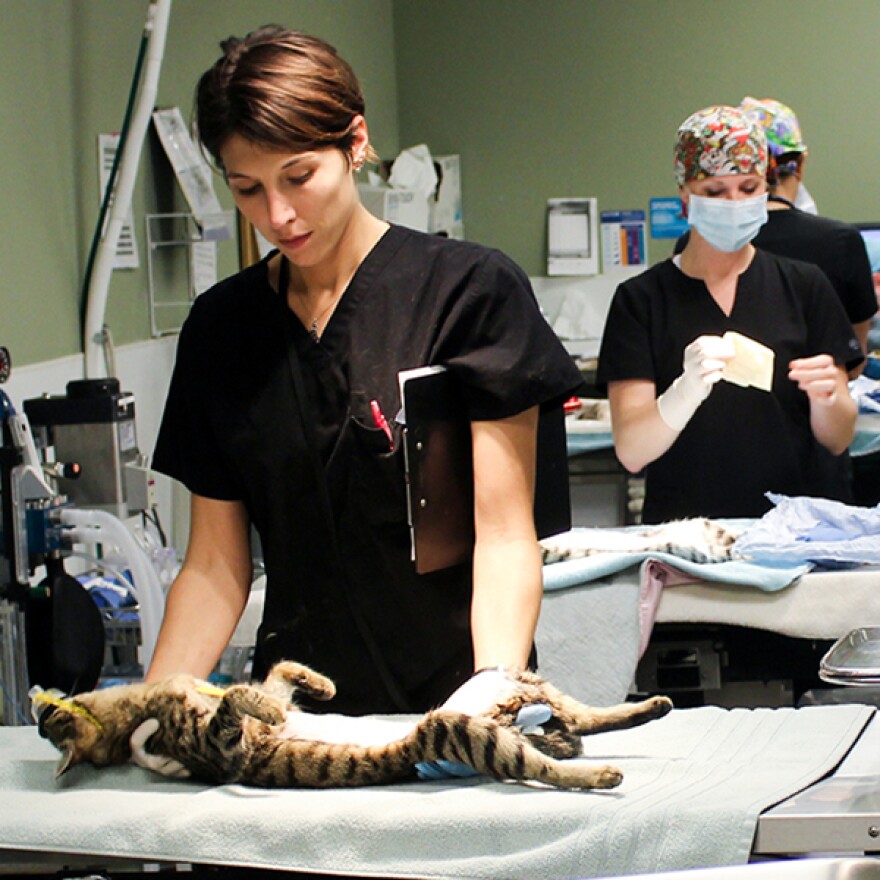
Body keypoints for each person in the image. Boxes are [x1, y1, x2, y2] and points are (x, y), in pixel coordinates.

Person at [143, 25, 583, 724]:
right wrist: (148, 710)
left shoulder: (467, 292)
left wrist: (493, 690)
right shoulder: (223, 330)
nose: (277, 216)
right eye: (248, 190)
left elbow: (503, 535)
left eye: (298, 177)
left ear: (354, 143)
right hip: (294, 722)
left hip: (453, 701)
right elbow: (213, 568)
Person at [598, 105, 862, 524]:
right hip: (687, 533)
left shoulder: (804, 286)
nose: (734, 202)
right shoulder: (641, 300)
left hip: (791, 527)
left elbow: (838, 439)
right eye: (715, 191)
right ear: (685, 196)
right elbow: (632, 451)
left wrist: (829, 399)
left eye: (748, 186)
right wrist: (682, 393)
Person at [737, 97, 878, 370]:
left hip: (725, 408)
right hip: (818, 404)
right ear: (800, 164)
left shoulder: (700, 245)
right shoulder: (840, 242)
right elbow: (854, 362)